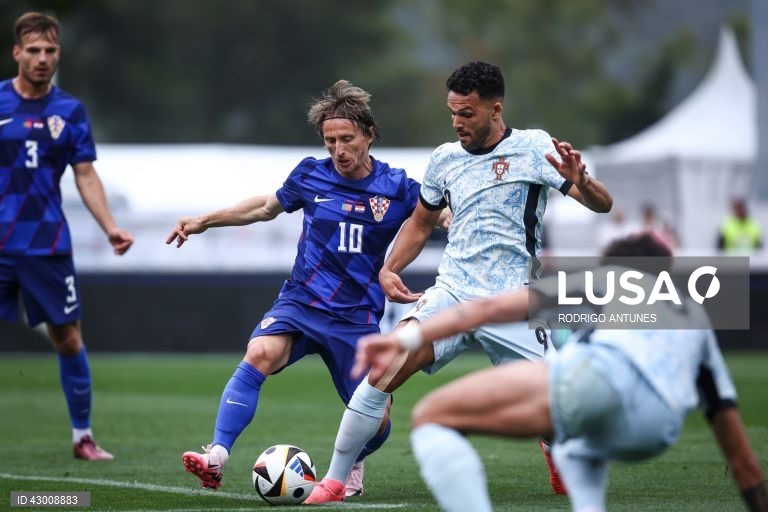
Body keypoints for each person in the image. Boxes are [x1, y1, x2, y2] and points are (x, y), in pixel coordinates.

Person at [305, 60, 613, 503]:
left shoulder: (533, 149)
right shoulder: (444, 159)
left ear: (495, 109)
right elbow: (420, 221)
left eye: (466, 113)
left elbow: (601, 205)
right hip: (453, 291)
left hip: (515, 301)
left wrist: (583, 181)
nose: (457, 122)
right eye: (452, 112)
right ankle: (334, 481)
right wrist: (389, 268)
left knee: (553, 410)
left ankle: (553, 446)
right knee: (384, 367)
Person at [353, 233, 768, 512]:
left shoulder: (602, 282)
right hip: (656, 429)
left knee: (431, 415)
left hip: (598, 380)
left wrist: (404, 340)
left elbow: (487, 309)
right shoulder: (694, 316)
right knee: (575, 450)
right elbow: (725, 414)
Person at [168, 80, 445, 494]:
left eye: (347, 139)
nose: (338, 150)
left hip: (356, 316)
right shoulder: (310, 175)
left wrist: (459, 223)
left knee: (379, 416)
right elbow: (264, 207)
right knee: (260, 352)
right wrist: (206, 219)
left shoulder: (397, 186)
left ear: (369, 135)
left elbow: (436, 216)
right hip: (302, 302)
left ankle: (351, 462)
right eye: (330, 140)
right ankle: (217, 455)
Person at [0, 12, 134, 461]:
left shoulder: (70, 110)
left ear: (58, 53)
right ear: (17, 52)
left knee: (69, 339)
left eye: (50, 51)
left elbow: (86, 175)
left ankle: (83, 437)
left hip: (46, 244)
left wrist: (110, 226)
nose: (42, 59)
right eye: (33, 50)